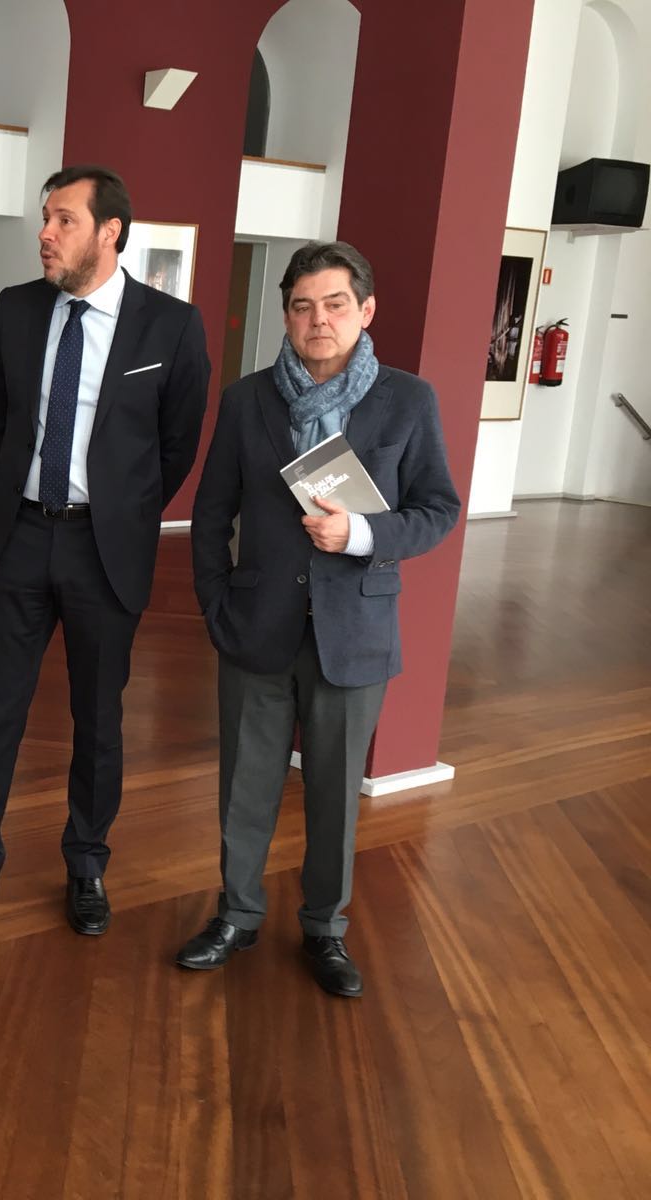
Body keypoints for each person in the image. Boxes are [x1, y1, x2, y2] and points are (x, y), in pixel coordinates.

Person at [177, 240, 460, 997]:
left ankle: (324, 930)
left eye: (335, 304)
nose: (318, 320)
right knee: (245, 786)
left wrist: (361, 533)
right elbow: (211, 512)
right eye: (302, 307)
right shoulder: (248, 400)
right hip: (255, 626)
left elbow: (438, 510)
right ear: (286, 317)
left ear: (366, 311)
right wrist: (215, 602)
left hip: (354, 632)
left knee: (335, 796)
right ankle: (237, 914)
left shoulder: (408, 400)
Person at [0, 164, 210, 938]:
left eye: (64, 219)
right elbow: (2, 421)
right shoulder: (17, 308)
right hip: (21, 537)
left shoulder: (171, 326)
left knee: (99, 719)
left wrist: (123, 512)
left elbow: (175, 447)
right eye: (46, 218)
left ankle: (87, 864)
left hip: (105, 549)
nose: (46, 233)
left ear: (109, 231)